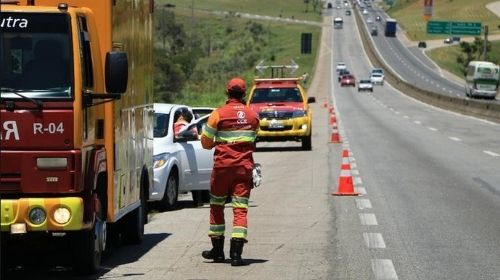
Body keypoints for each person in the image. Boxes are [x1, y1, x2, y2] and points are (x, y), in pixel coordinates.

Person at [200, 77, 260, 266]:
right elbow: (254, 138)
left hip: (222, 169)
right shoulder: (253, 116)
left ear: (227, 93)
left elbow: (206, 143)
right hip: (243, 169)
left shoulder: (218, 114)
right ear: (244, 94)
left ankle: (217, 252)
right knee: (240, 209)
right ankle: (236, 255)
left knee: (217, 206)